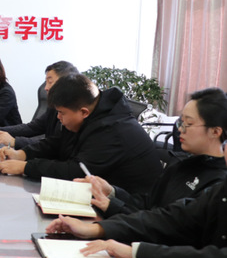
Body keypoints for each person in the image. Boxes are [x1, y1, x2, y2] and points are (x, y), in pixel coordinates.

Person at [45, 139, 227, 258]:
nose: (181, 129)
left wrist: (136, 253)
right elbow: (169, 217)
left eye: (188, 124)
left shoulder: (215, 178)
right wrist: (98, 229)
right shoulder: (194, 171)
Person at [0, 73, 162, 194]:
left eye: (61, 113)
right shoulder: (90, 115)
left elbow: (76, 171)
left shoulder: (112, 130)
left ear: (83, 112)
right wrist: (23, 154)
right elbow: (57, 142)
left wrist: (26, 167)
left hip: (132, 207)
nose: (58, 117)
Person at [85, 88, 227, 217]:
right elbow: (147, 203)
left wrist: (111, 206)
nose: (180, 129)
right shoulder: (179, 162)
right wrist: (112, 192)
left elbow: (165, 225)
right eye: (181, 122)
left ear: (215, 132)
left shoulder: (218, 185)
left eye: (188, 124)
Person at [0, 60, 79, 149]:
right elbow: (32, 127)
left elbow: (55, 146)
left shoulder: (75, 114)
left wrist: (14, 141)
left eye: (50, 82)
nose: (46, 88)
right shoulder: (53, 107)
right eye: (46, 82)